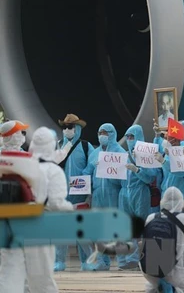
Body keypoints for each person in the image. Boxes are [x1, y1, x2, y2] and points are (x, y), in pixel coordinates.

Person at [0, 127, 74, 293]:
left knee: (11, 275)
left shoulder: (17, 165)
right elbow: (56, 204)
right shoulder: (53, 171)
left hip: (11, 227)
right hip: (39, 227)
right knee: (41, 278)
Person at [154, 129, 184, 270]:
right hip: (168, 195)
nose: (167, 140)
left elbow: (181, 172)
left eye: (170, 138)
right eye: (166, 137)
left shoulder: (183, 154)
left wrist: (164, 162)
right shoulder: (167, 154)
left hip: (182, 195)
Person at [141, 187, 184, 293]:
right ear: (181, 202)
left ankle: (162, 287)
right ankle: (172, 290)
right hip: (176, 269)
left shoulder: (151, 217)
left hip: (150, 268)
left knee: (153, 288)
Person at [82, 123, 127, 271]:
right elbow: (86, 171)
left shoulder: (120, 152)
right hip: (97, 195)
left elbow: (123, 179)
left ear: (112, 134)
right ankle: (102, 261)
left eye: (105, 133)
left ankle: (123, 260)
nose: (102, 136)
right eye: (99, 132)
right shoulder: (95, 153)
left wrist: (110, 175)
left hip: (112, 194)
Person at [54, 114, 95, 272]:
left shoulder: (86, 146)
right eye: (64, 127)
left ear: (77, 129)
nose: (66, 130)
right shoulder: (58, 146)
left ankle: (88, 261)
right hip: (61, 195)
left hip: (80, 194)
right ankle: (59, 261)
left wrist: (86, 175)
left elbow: (92, 164)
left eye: (70, 127)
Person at [118, 124, 157, 270]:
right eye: (127, 137)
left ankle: (142, 257)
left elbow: (150, 177)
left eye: (132, 137)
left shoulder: (146, 156)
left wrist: (137, 170)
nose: (129, 139)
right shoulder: (123, 156)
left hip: (140, 192)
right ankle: (129, 258)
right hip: (125, 193)